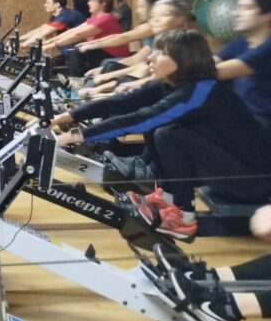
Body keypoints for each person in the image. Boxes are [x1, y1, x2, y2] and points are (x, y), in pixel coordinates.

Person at [52, 29, 271, 240]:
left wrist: (77, 135)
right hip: (226, 171)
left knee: (168, 132)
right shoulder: (169, 84)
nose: (151, 58)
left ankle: (184, 215)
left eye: (161, 53)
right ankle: (167, 197)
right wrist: (65, 117)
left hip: (248, 183)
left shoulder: (202, 91)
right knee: (159, 126)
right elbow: (122, 101)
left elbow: (139, 119)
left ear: (184, 60)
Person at [78, 0, 188, 99]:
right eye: (153, 16)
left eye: (164, 15)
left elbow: (159, 81)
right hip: (151, 87)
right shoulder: (162, 41)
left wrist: (104, 92)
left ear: (181, 19)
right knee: (112, 67)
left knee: (112, 68)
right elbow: (140, 61)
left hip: (168, 97)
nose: (156, 20)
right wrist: (105, 81)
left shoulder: (181, 45)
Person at [216, 0, 271, 131]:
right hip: (242, 120)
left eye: (247, 8)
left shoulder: (268, 47)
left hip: (263, 126)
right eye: (238, 7)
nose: (236, 13)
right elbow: (208, 63)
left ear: (267, 15)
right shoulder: (240, 43)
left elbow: (217, 71)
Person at [42, 0, 130, 76]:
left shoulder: (105, 18)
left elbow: (79, 35)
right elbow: (74, 31)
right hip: (102, 52)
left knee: (77, 51)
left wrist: (53, 45)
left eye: (92, 1)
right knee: (77, 50)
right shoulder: (95, 18)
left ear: (103, 3)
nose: (88, 3)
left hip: (113, 55)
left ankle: (77, 79)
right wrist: (50, 41)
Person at [18, 0, 87, 53]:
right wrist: (21, 38)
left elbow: (42, 33)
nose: (44, 5)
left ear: (57, 5)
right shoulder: (56, 16)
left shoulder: (65, 16)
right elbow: (41, 29)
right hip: (73, 51)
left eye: (48, 3)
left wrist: (23, 44)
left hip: (82, 51)